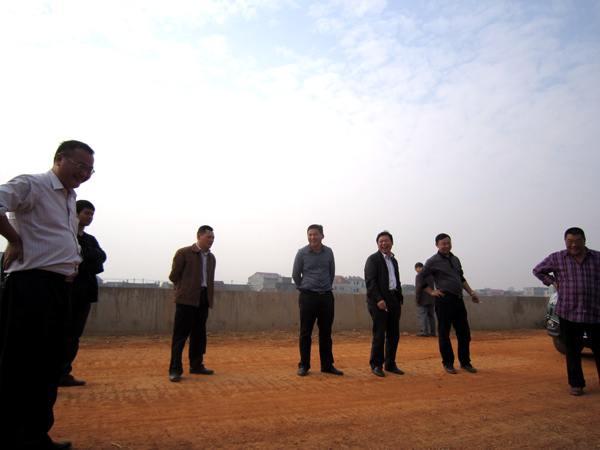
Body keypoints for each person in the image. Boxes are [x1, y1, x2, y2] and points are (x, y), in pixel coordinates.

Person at [0, 140, 95, 450]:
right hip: (31, 287)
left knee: (49, 366)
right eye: (80, 166)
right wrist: (14, 239)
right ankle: (12, 435)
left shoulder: (69, 198)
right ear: (59, 159)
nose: (84, 173)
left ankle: (35, 436)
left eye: (90, 170)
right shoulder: (33, 185)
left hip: (60, 289)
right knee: (20, 365)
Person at [532, 227, 600, 396]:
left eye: (577, 241)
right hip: (569, 311)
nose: (574, 245)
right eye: (570, 242)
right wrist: (553, 282)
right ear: (565, 242)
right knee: (572, 350)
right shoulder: (557, 258)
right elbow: (538, 270)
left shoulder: (597, 258)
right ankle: (576, 384)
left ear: (584, 241)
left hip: (595, 311)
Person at [415, 233, 480, 375]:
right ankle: (448, 363)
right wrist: (431, 291)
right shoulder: (433, 261)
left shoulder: (455, 259)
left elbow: (461, 278)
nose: (446, 246)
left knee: (464, 333)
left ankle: (465, 362)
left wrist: (471, 293)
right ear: (437, 245)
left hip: (458, 300)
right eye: (443, 244)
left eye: (448, 243)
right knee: (444, 333)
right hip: (444, 300)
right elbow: (420, 276)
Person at [59, 200, 106, 387]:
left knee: (74, 335)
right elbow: (69, 257)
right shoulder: (66, 236)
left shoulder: (90, 239)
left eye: (92, 214)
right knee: (60, 333)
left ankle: (64, 373)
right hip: (66, 290)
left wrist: (82, 255)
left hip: (85, 292)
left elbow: (101, 258)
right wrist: (87, 256)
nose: (90, 217)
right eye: (87, 213)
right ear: (75, 213)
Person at [292, 224, 342, 376]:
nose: (312, 237)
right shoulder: (301, 253)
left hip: (326, 296)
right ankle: (304, 365)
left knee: (326, 333)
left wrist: (325, 287)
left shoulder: (329, 252)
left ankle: (327, 365)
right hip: (308, 297)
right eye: (310, 234)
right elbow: (296, 274)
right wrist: (304, 288)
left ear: (322, 236)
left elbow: (331, 272)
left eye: (315, 234)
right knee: (305, 332)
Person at [168, 225, 216, 382]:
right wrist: (183, 290)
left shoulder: (211, 258)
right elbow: (174, 276)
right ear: (199, 236)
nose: (211, 240)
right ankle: (175, 369)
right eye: (208, 237)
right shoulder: (184, 253)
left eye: (213, 238)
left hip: (203, 299)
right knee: (180, 336)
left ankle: (196, 365)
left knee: (199, 334)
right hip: (186, 300)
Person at [364, 231, 404, 377]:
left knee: (393, 334)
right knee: (379, 334)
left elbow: (396, 280)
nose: (384, 243)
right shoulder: (373, 259)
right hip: (378, 302)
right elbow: (370, 282)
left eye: (386, 241)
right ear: (377, 244)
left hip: (394, 299)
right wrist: (379, 299)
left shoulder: (394, 260)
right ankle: (376, 365)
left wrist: (399, 297)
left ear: (392, 243)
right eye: (381, 241)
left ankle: (390, 364)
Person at [414, 262, 436, 337]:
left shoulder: (419, 276)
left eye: (416, 269)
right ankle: (432, 332)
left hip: (422, 299)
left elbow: (418, 289)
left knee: (422, 315)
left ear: (418, 268)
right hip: (431, 298)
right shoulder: (431, 275)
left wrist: (417, 299)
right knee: (431, 316)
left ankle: (424, 332)